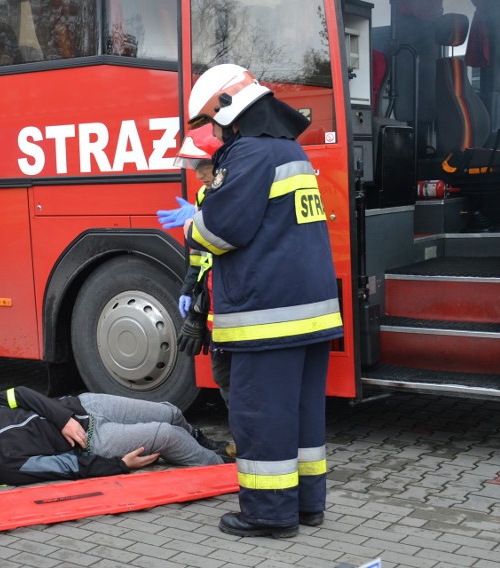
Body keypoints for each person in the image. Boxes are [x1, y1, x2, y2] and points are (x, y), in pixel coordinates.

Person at [159, 64, 344, 538]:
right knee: (302, 415)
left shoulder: (248, 154)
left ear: (227, 108)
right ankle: (306, 505)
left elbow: (221, 231)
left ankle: (267, 514)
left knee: (261, 415)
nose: (214, 132)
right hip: (311, 313)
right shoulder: (288, 150)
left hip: (268, 316)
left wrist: (190, 225)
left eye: (211, 120)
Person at [0, 386, 231, 487]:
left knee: (171, 412)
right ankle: (225, 469)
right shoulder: (2, 472)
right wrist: (120, 466)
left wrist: (62, 418)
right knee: (166, 436)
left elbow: (19, 394)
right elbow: (68, 467)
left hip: (83, 405)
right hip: (96, 439)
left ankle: (206, 443)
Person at [159, 129, 232, 408]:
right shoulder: (205, 194)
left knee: (233, 376)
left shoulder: (231, 192)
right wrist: (189, 289)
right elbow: (199, 253)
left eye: (204, 166)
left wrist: (201, 219)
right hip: (214, 298)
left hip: (229, 297)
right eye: (194, 167)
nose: (199, 174)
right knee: (223, 374)